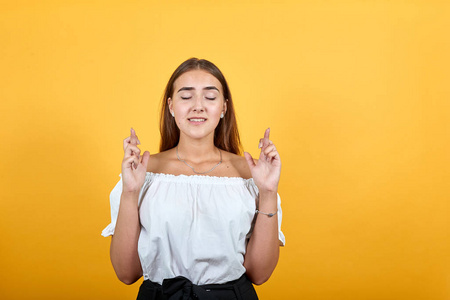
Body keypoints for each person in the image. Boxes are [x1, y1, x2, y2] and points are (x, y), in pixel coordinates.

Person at [102, 58, 285, 300]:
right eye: (186, 97)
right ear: (171, 106)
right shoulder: (142, 174)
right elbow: (126, 273)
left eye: (210, 97)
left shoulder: (252, 175)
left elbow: (259, 274)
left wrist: (268, 192)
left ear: (223, 108)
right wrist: (130, 192)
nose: (198, 106)